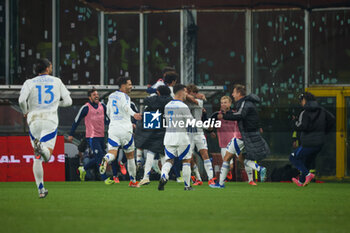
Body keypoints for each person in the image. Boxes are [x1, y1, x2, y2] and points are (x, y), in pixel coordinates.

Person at [18, 58, 72, 198]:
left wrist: (25, 112)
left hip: (34, 121)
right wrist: (55, 104)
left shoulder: (29, 82)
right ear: (48, 68)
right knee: (46, 156)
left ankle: (41, 189)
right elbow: (68, 102)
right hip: (49, 119)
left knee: (37, 158)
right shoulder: (56, 81)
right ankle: (41, 147)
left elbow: (21, 100)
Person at [210, 84, 269, 189]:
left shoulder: (242, 105)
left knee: (227, 158)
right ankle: (252, 176)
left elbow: (240, 116)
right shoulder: (245, 104)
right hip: (245, 137)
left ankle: (259, 169)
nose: (233, 94)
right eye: (222, 102)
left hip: (240, 137)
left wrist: (225, 115)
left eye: (234, 92)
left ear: (239, 93)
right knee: (240, 158)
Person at [68, 88, 124, 185]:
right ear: (90, 97)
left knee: (103, 157)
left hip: (102, 136)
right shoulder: (86, 108)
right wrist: (71, 134)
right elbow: (76, 120)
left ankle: (83, 168)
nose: (96, 96)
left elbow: (108, 119)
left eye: (97, 94)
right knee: (100, 158)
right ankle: (105, 178)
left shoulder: (103, 106)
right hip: (92, 137)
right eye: (94, 95)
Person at [99, 77, 142, 188]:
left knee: (113, 153)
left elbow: (108, 112)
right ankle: (133, 181)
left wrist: (115, 119)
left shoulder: (111, 96)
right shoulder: (125, 96)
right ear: (123, 86)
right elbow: (125, 107)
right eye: (129, 84)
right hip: (125, 129)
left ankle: (106, 159)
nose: (131, 86)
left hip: (113, 128)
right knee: (130, 156)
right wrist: (133, 115)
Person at [290, 92, 335, 187]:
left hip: (308, 142)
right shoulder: (322, 110)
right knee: (306, 161)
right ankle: (301, 182)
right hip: (320, 143)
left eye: (301, 101)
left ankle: (308, 175)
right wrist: (324, 131)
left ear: (305, 100)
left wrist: (295, 122)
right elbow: (332, 119)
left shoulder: (305, 112)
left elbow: (303, 126)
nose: (301, 103)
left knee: (293, 157)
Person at [210, 96, 256, 185]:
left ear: (230, 104)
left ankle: (251, 180)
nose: (223, 104)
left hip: (237, 142)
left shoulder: (235, 114)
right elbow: (210, 125)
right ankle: (224, 179)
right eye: (221, 102)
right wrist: (211, 131)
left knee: (243, 161)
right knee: (229, 165)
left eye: (225, 102)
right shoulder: (217, 115)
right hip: (224, 144)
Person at [158, 84, 194, 191]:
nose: (186, 94)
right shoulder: (183, 106)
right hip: (181, 136)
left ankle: (164, 175)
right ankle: (187, 186)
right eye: (186, 92)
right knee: (186, 160)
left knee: (169, 160)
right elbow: (190, 122)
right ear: (181, 92)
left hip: (169, 136)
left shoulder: (167, 105)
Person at [135, 85, 173, 185]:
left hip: (155, 129)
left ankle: (147, 176)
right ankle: (164, 175)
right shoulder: (171, 100)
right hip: (166, 129)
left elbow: (147, 100)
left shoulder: (153, 101)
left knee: (151, 152)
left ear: (159, 93)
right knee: (162, 154)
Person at [185, 84, 216, 185]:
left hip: (198, 132)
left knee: (205, 154)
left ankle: (211, 178)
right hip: (187, 133)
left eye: (194, 93)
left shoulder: (199, 102)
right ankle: (198, 178)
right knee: (189, 157)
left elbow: (192, 100)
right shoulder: (182, 103)